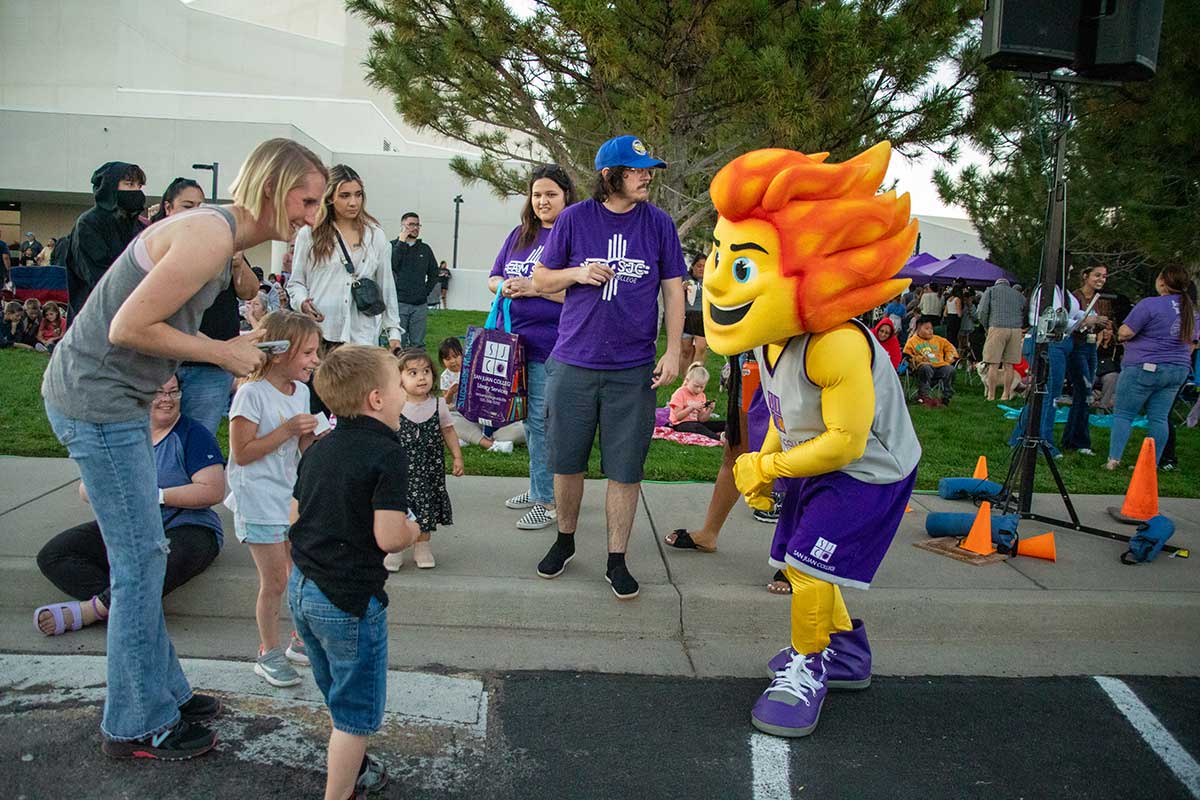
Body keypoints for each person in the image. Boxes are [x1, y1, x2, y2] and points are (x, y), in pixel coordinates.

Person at [40, 137, 327, 760]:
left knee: (145, 556)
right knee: (141, 564)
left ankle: (163, 691)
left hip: (116, 401)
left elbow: (167, 322)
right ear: (275, 188)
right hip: (97, 402)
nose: (312, 215)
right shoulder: (208, 237)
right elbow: (127, 327)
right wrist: (223, 353)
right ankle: (135, 724)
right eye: (307, 200)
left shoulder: (219, 239)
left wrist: (244, 338)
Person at [701, 143, 921, 739]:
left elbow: (847, 443)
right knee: (800, 562)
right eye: (717, 255)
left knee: (808, 570)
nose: (717, 279)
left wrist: (768, 468)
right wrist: (767, 462)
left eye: (741, 267)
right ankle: (848, 654)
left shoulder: (836, 345)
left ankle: (808, 666)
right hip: (820, 456)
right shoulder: (774, 337)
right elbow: (784, 410)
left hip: (870, 471)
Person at [531, 134, 686, 600]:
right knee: (566, 461)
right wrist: (578, 273)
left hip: (632, 368)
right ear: (608, 175)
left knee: (625, 469)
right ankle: (565, 540)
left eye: (648, 170)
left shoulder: (658, 224)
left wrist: (674, 350)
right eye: (636, 170)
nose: (646, 177)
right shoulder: (575, 219)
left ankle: (616, 559)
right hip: (572, 362)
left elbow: (674, 289)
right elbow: (540, 279)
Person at [288, 345, 420, 800]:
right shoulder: (388, 454)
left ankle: (355, 764)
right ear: (376, 400)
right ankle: (340, 790)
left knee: (335, 689)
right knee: (356, 714)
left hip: (303, 588)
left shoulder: (320, 448)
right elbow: (388, 538)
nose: (406, 392)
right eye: (398, 384)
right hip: (348, 600)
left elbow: (295, 517)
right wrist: (414, 527)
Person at [34, 376, 224, 636]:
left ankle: (92, 611)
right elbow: (86, 488)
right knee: (54, 554)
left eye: (173, 392)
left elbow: (212, 490)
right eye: (158, 392)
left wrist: (154, 496)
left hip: (188, 527)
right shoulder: (123, 435)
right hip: (132, 525)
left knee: (158, 559)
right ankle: (128, 609)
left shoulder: (193, 434)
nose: (166, 400)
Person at [226, 311, 323, 688]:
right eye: (309, 353)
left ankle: (298, 643)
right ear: (280, 352)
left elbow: (301, 445)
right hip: (258, 498)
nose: (315, 361)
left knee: (298, 574)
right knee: (277, 580)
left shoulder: (300, 390)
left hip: (288, 496)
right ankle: (267, 652)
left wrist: (317, 437)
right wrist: (286, 431)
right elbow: (243, 452)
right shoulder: (251, 394)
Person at [487, 163, 576, 529]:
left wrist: (536, 287)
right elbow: (494, 277)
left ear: (566, 196)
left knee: (541, 422)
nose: (542, 201)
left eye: (551, 194)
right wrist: (506, 286)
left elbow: (579, 293)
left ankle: (548, 500)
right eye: (537, 194)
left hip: (554, 345)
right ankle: (539, 486)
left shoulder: (574, 236)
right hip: (515, 346)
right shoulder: (520, 235)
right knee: (529, 419)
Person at [153, 178, 260, 436]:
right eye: (188, 205)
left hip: (213, 363)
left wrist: (237, 264)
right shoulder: (156, 243)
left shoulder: (221, 240)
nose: (196, 212)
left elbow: (249, 290)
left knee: (200, 435)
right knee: (156, 436)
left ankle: (198, 477)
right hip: (166, 359)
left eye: (200, 206)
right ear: (168, 208)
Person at [289, 165, 402, 353]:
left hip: (362, 336)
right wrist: (302, 302)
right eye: (345, 195)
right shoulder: (309, 234)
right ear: (330, 197)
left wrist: (393, 333)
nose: (353, 202)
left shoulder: (375, 235)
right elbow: (296, 283)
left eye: (358, 195)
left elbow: (387, 287)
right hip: (322, 334)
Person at [1105, 264, 1198, 470]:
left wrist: (1120, 334)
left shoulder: (1150, 304)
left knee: (1124, 414)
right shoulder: (1190, 309)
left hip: (1144, 366)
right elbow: (1193, 342)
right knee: (1159, 418)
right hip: (1178, 369)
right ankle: (1151, 464)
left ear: (1162, 282)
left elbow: (1126, 332)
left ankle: (1114, 459)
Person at [383, 349, 463, 571]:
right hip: (398, 472)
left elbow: (448, 431)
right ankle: (395, 547)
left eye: (426, 371)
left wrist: (457, 456)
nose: (421, 377)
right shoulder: (395, 405)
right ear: (399, 378)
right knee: (397, 507)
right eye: (413, 372)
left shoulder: (438, 405)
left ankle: (422, 546)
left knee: (426, 506)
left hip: (429, 470)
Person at [64, 161, 148, 316]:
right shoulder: (89, 223)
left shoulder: (138, 225)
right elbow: (98, 275)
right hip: (95, 316)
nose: (136, 191)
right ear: (110, 187)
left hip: (133, 314)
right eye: (129, 184)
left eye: (139, 186)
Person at [436, 337, 521, 453]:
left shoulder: (473, 369)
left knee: (521, 427)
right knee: (446, 419)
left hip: (483, 414)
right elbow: (447, 403)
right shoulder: (445, 376)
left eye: (455, 356)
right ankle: (491, 443)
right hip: (462, 415)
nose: (452, 361)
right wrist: (451, 392)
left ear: (463, 354)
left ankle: (471, 437)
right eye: (447, 359)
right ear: (442, 361)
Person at [1062, 265, 1114, 454]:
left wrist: (1104, 325)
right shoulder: (1074, 297)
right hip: (1077, 347)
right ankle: (1079, 441)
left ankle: (1072, 438)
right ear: (1085, 276)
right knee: (1084, 391)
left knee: (1085, 392)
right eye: (1097, 275)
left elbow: (1103, 324)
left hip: (1092, 346)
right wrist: (1088, 321)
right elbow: (1068, 322)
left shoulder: (1103, 301)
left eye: (1104, 276)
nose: (1101, 279)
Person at [390, 211, 439, 348]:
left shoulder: (425, 249)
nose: (415, 228)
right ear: (402, 226)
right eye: (411, 224)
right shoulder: (393, 246)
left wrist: (425, 291)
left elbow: (434, 273)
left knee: (418, 344)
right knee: (399, 343)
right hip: (399, 303)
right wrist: (401, 242)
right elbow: (391, 265)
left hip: (419, 304)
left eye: (418, 225)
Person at [976, 277, 1026, 401]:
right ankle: (1005, 395)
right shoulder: (1018, 295)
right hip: (1016, 330)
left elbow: (981, 311)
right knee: (1009, 365)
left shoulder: (991, 291)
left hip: (997, 327)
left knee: (993, 363)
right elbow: (1026, 311)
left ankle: (991, 395)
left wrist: (987, 327)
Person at [903, 316, 958, 406]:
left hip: (940, 366)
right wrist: (918, 359)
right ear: (918, 329)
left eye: (931, 328)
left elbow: (951, 349)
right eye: (927, 328)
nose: (930, 331)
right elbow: (907, 356)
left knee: (950, 369)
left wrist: (948, 359)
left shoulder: (939, 340)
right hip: (922, 367)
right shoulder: (912, 341)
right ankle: (923, 396)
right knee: (926, 368)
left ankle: (946, 397)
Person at [667, 362, 725, 440]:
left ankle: (730, 434)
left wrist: (709, 410)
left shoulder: (702, 395)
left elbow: (701, 419)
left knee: (724, 423)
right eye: (696, 386)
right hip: (679, 424)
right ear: (687, 381)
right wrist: (691, 408)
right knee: (697, 427)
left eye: (702, 387)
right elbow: (678, 417)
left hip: (696, 423)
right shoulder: (680, 393)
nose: (698, 389)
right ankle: (718, 438)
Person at [680, 252, 709, 378]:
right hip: (687, 317)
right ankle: (685, 378)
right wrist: (682, 289)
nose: (702, 269)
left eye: (704, 266)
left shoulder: (711, 281)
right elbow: (674, 296)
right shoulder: (686, 279)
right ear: (693, 267)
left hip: (703, 317)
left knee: (701, 348)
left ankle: (696, 377)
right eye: (699, 266)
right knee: (686, 350)